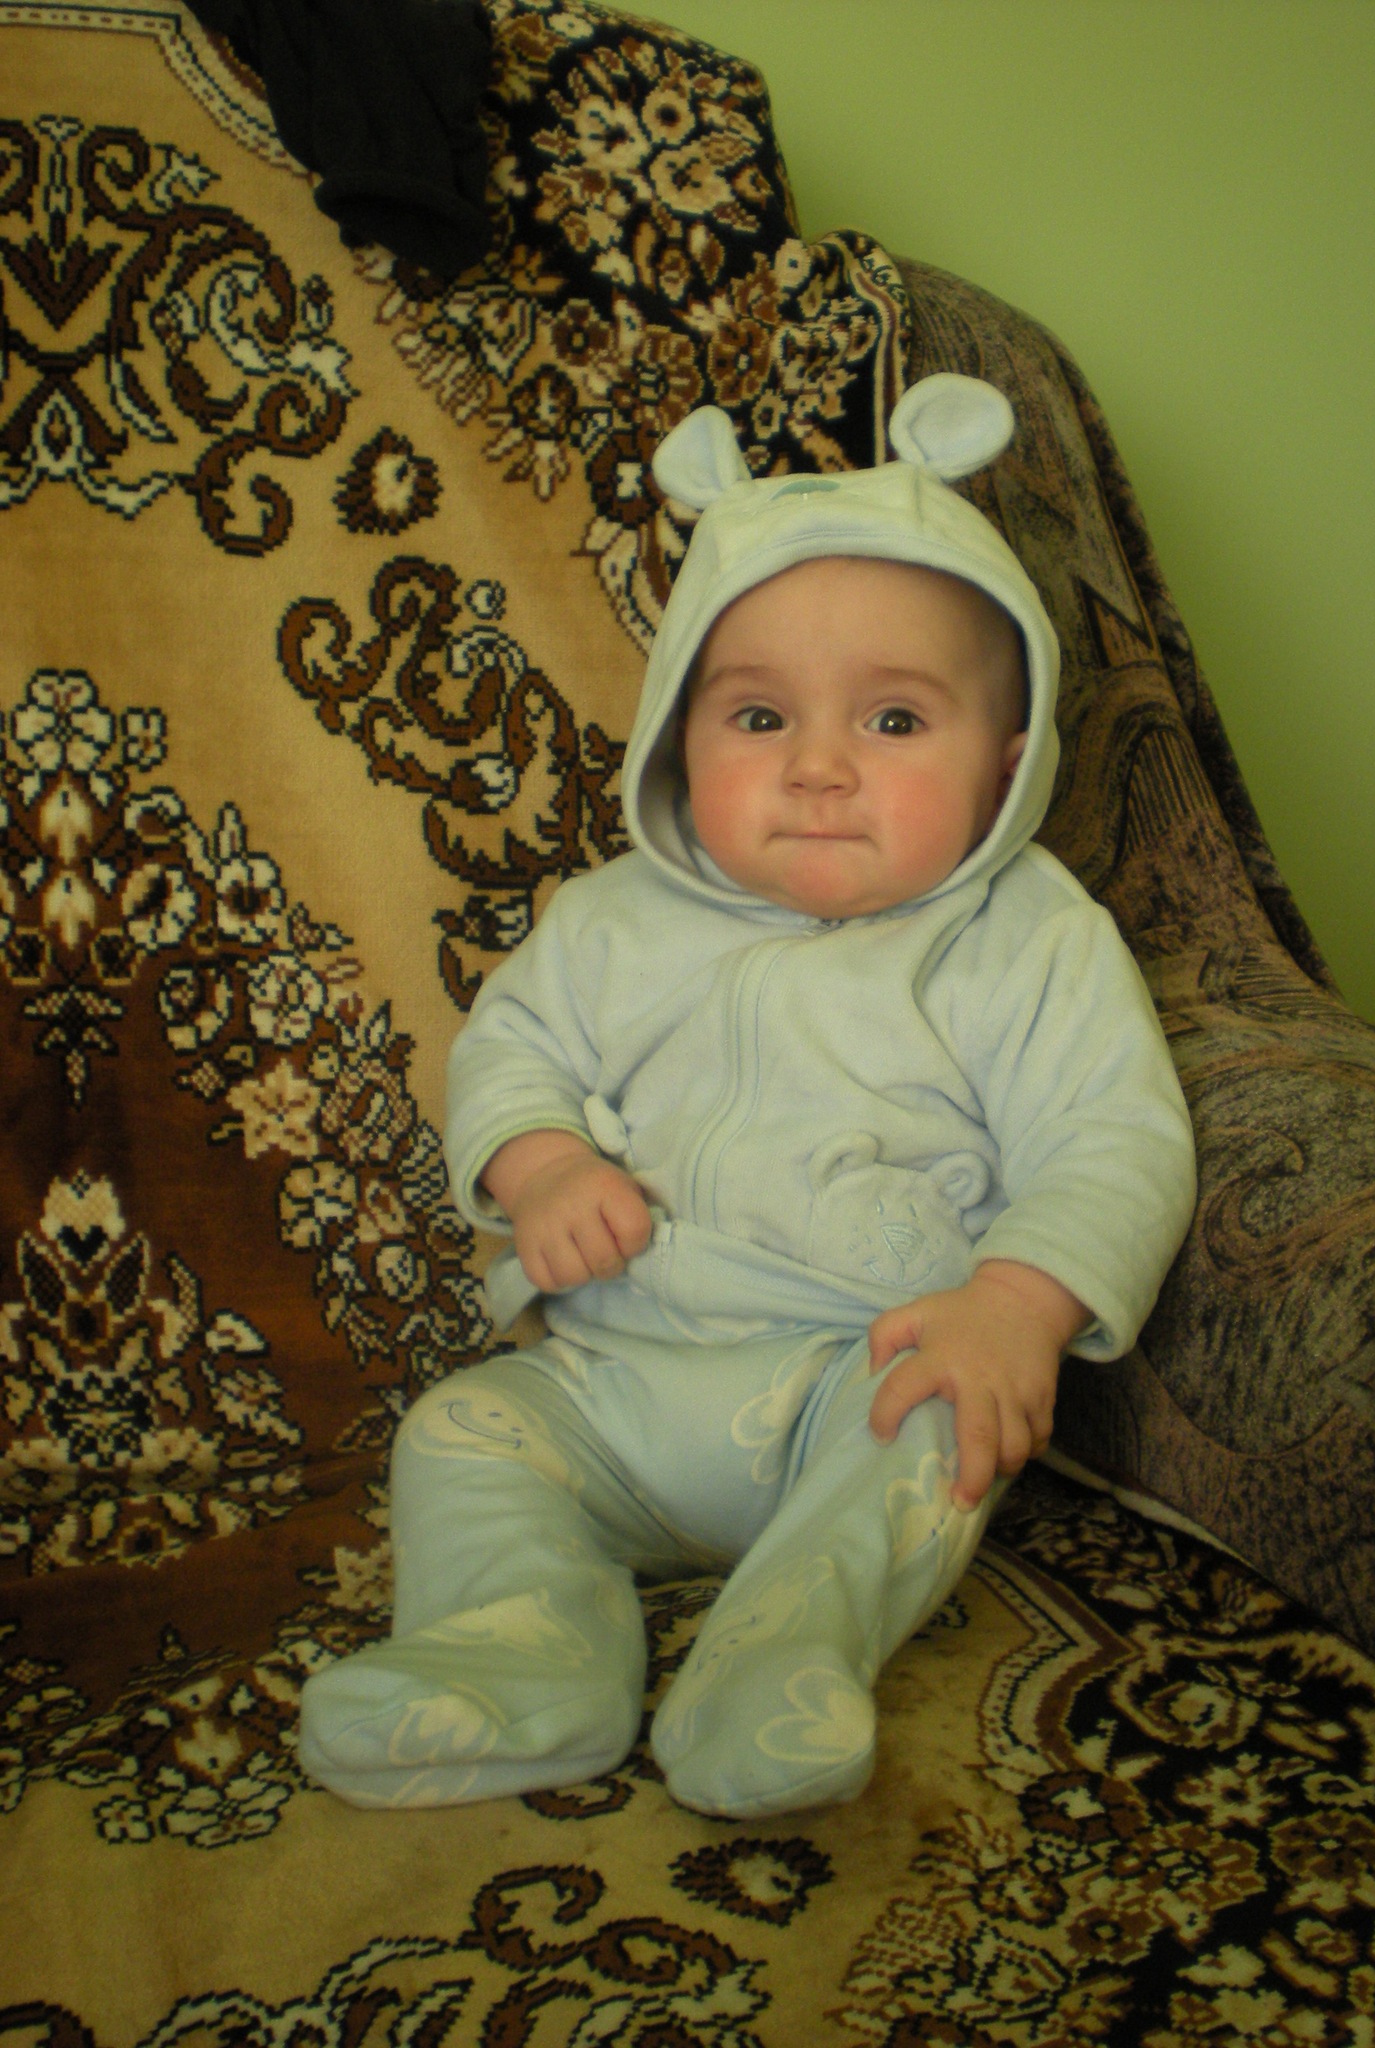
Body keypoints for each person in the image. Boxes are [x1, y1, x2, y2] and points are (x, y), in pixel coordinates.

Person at [298, 374, 1197, 1819]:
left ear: (1007, 764)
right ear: (678, 737)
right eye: (761, 716)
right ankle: (520, 1652)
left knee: (938, 1434)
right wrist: (541, 1166)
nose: (820, 770)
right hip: (613, 1383)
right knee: (458, 1434)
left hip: (855, 1371)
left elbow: (1112, 1136)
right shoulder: (611, 921)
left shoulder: (1024, 936)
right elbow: (512, 1052)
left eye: (895, 720)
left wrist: (1014, 1307)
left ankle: (784, 1652)